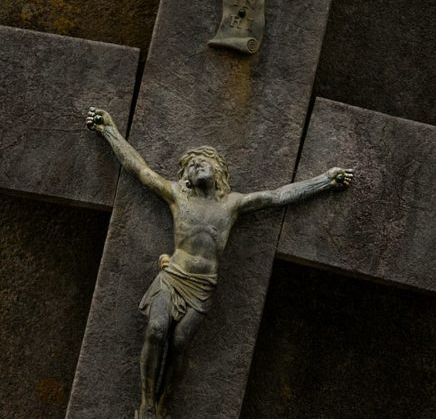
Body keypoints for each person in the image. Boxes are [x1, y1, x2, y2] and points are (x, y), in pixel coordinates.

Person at [86, 107, 352, 419]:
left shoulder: (232, 204)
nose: (196, 165)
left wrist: (325, 181)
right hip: (172, 277)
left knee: (180, 343)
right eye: (191, 165)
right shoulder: (177, 196)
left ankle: (163, 403)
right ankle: (145, 403)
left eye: (203, 161)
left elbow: (277, 196)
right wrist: (109, 130)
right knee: (156, 330)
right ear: (185, 178)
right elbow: (140, 170)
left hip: (202, 287)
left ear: (218, 170)